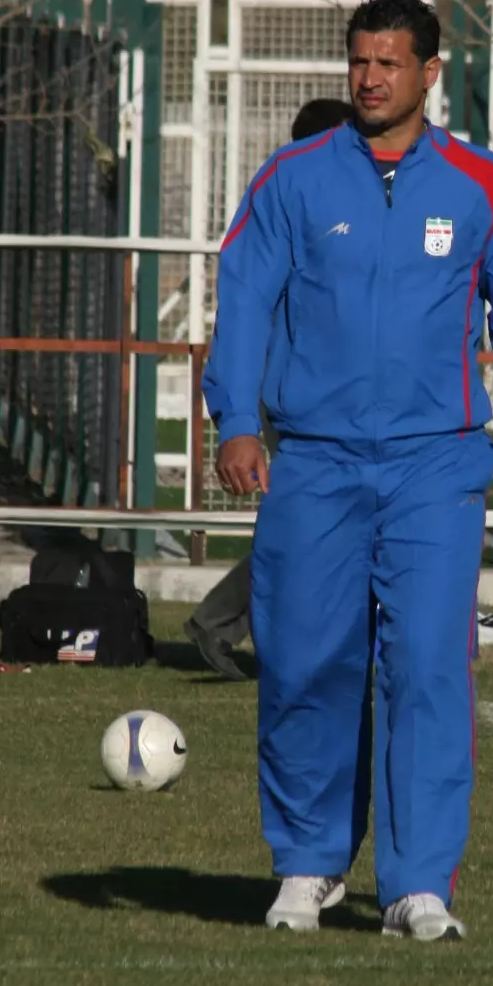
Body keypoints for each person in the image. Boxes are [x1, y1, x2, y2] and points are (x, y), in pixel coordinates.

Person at [203, 0, 493, 941]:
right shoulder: (291, 179)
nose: (368, 79)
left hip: (434, 467)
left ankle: (417, 885)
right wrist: (237, 418)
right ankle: (308, 866)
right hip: (313, 463)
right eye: (359, 61)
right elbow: (243, 297)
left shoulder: (481, 186)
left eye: (389, 64)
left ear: (430, 74)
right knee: (305, 661)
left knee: (428, 668)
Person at [185, 98, 355, 682]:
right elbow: (244, 312)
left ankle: (227, 623)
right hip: (298, 399)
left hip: (332, 398)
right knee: (309, 530)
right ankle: (234, 627)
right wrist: (240, 421)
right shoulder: (295, 204)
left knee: (319, 529)